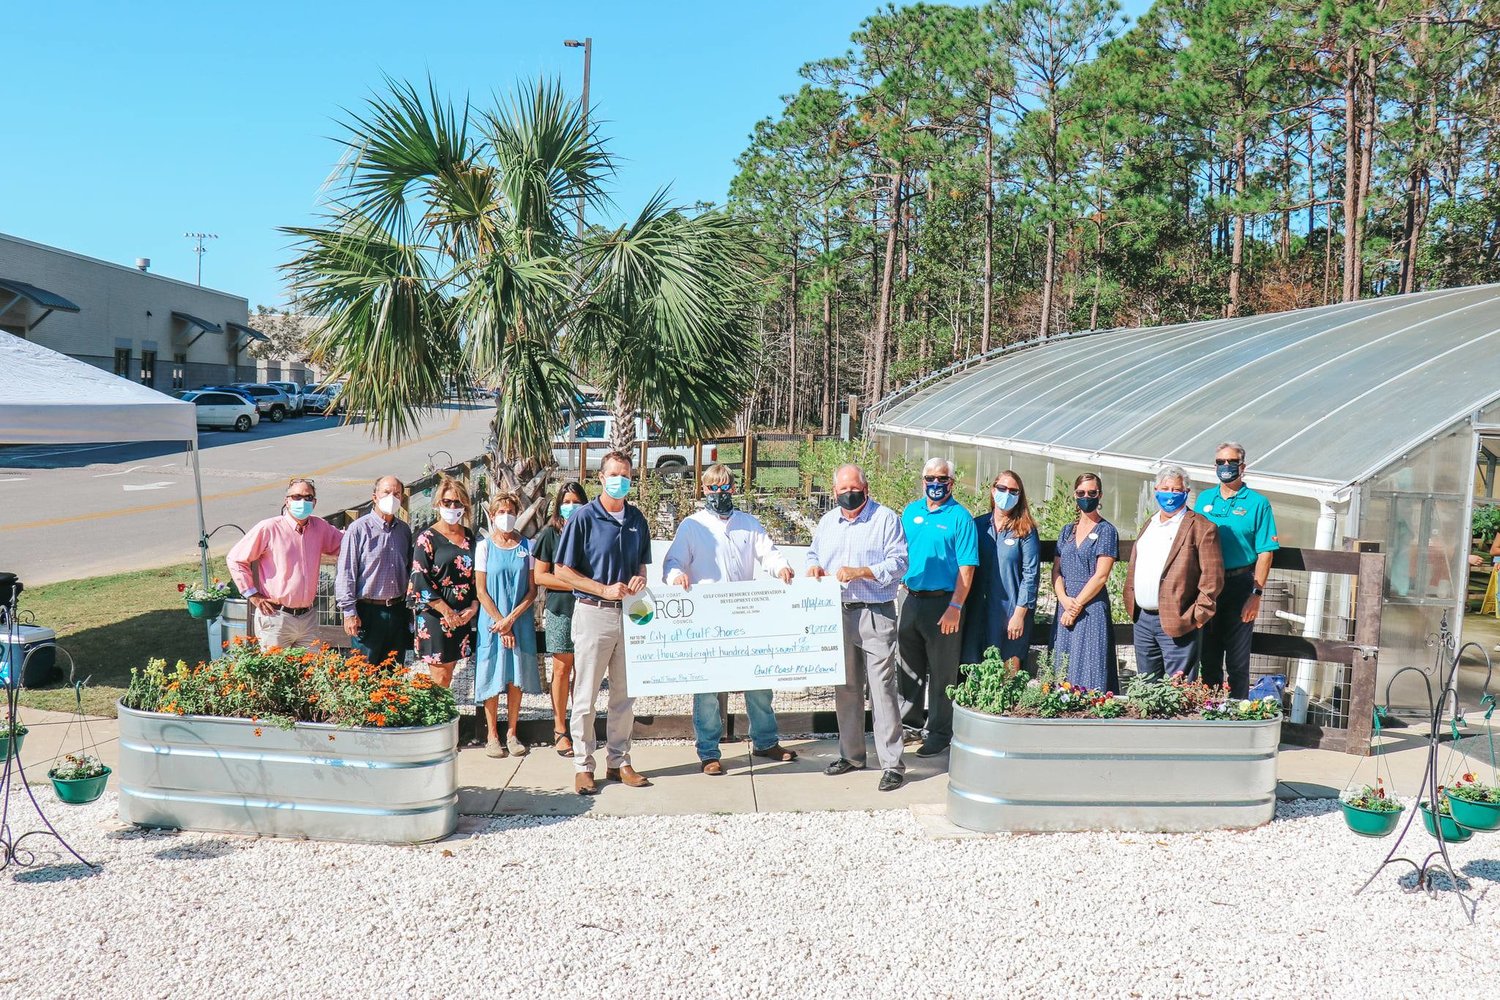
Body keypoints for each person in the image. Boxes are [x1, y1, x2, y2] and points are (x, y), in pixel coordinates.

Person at [662, 464, 798, 776]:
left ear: (733, 489)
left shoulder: (749, 523)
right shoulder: (692, 526)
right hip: (708, 621)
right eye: (713, 488)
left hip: (747, 618)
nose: (719, 493)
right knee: (708, 690)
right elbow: (673, 561)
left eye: (725, 487)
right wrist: (677, 575)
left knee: (759, 683)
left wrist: (781, 568)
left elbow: (770, 554)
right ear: (703, 489)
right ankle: (708, 752)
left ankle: (765, 742)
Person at [553, 451, 653, 795]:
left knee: (624, 695)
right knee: (585, 695)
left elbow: (642, 564)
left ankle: (619, 761)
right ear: (601, 477)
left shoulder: (637, 518)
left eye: (625, 474)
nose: (620, 480)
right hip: (593, 612)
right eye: (614, 474)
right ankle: (583, 765)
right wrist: (602, 589)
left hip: (630, 614)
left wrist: (640, 579)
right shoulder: (583, 517)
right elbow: (562, 571)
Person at [808, 464, 909, 792]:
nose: (849, 494)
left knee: (881, 689)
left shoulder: (885, 519)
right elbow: (813, 553)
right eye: (842, 490)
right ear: (834, 492)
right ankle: (851, 755)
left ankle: (892, 763)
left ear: (866, 489)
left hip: (875, 612)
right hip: (837, 612)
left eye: (855, 489)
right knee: (846, 687)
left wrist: (862, 571)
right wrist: (813, 567)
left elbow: (899, 563)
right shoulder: (827, 522)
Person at [897, 457, 979, 758]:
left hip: (944, 603)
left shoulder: (961, 518)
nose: (935, 483)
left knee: (944, 673)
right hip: (910, 597)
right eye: (930, 478)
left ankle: (940, 732)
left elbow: (967, 568)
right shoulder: (910, 512)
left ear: (951, 482)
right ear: (922, 480)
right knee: (907, 666)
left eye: (942, 479)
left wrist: (956, 605)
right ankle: (909, 724)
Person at [1124, 465, 1223, 682]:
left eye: (1177, 490)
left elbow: (1213, 578)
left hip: (1179, 621)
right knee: (1147, 687)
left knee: (1178, 688)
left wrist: (1198, 617)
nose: (1170, 494)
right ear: (1156, 490)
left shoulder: (1201, 527)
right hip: (1142, 619)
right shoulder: (1150, 523)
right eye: (1165, 489)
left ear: (1186, 492)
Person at [1195, 442, 1279, 698]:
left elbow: (1266, 552)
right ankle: (1209, 712)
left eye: (1231, 462)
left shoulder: (1257, 503)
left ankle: (1236, 714)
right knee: (1208, 658)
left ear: (1242, 466)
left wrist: (1256, 594)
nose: (1226, 466)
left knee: (1237, 661)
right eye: (1220, 462)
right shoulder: (1204, 499)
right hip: (1208, 586)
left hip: (1240, 585)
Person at [228, 477, 344, 651]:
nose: (302, 501)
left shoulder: (320, 527)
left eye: (308, 497)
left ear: (314, 502)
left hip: (308, 618)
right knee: (275, 674)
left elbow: (346, 544)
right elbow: (236, 559)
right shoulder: (269, 528)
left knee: (310, 674)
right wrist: (252, 594)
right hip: (276, 616)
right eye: (296, 497)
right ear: (287, 501)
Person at [474, 492, 539, 758]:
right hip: (492, 621)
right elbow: (481, 590)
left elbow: (532, 590)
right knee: (491, 673)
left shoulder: (528, 547)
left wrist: (511, 621)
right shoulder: (484, 547)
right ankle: (492, 734)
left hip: (519, 619)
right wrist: (501, 623)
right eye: (500, 512)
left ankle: (512, 732)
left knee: (516, 676)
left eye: (511, 511)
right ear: (492, 516)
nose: (506, 516)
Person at [960, 470, 1040, 668]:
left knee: (1007, 675)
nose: (1007, 494)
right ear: (993, 490)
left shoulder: (1025, 530)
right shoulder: (977, 526)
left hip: (1009, 614)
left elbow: (1031, 575)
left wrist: (1020, 615)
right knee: (975, 672)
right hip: (977, 611)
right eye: (1002, 488)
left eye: (1014, 491)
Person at [532, 481, 588, 756]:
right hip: (560, 608)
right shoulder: (549, 535)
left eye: (576, 501)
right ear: (558, 506)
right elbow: (540, 575)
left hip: (590, 608)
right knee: (562, 669)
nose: (571, 506)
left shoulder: (592, 531)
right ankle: (559, 729)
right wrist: (578, 584)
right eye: (566, 502)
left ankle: (580, 727)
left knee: (584, 670)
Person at [335, 476, 413, 666]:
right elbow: (346, 572)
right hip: (367, 613)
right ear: (375, 497)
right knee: (364, 672)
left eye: (396, 494)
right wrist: (349, 612)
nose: (392, 497)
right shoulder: (358, 529)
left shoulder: (404, 531)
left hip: (396, 610)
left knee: (394, 671)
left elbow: (409, 568)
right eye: (386, 492)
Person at [408, 476, 478, 689]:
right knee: (440, 678)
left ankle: (445, 718)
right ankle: (436, 720)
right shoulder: (427, 538)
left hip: (462, 616)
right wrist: (447, 612)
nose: (452, 506)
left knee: (451, 673)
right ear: (438, 504)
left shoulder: (469, 536)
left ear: (464, 505)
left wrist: (473, 606)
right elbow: (419, 580)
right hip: (436, 616)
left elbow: (475, 576)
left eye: (457, 502)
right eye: (447, 502)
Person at [1052, 473, 1119, 692]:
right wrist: (1063, 600)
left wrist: (1076, 606)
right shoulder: (1066, 531)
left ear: (1099, 495)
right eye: (1081, 493)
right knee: (1063, 664)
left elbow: (1101, 576)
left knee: (1092, 665)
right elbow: (1056, 570)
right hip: (1065, 604)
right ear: (1075, 495)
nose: (1086, 497)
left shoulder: (1106, 531)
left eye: (1091, 493)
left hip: (1091, 607)